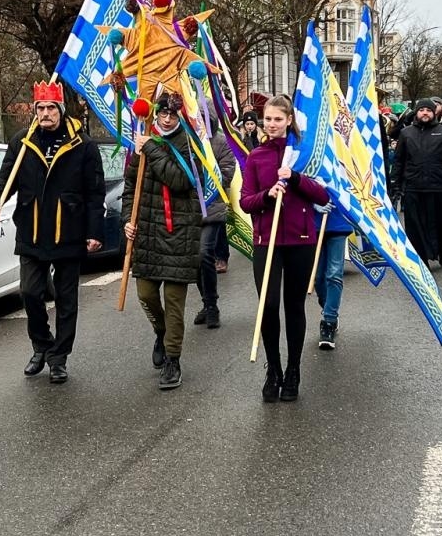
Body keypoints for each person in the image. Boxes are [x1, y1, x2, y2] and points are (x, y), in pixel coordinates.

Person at [0, 81, 105, 385]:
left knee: (67, 301)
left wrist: (94, 231)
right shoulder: (21, 142)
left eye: (51, 107)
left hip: (69, 230)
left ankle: (58, 358)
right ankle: (41, 345)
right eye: (40, 108)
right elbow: (4, 179)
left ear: (61, 110)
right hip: (32, 230)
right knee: (29, 293)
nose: (46, 113)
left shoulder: (84, 145)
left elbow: (95, 193)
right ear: (34, 110)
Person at [239, 94, 331, 403]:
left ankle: (293, 370)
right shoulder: (256, 156)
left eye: (278, 119)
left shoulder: (304, 153)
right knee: (268, 306)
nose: (272, 124)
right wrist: (267, 195)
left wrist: (294, 178)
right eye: (268, 119)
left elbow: (322, 196)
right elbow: (245, 201)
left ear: (289, 120)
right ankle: (273, 370)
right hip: (267, 242)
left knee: (294, 307)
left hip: (300, 241)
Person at [123, 92, 204, 390]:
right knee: (145, 294)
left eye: (172, 114)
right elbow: (131, 185)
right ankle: (161, 332)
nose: (167, 119)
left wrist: (154, 148)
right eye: (162, 113)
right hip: (147, 231)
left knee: (174, 302)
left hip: (179, 232)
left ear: (179, 115)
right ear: (155, 113)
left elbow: (182, 181)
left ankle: (173, 359)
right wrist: (127, 221)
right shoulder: (144, 139)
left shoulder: (188, 142)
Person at [390, 97, 442, 267]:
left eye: (428, 110)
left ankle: (441, 250)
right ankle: (421, 259)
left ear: (433, 113)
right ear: (417, 112)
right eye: (422, 110)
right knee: (415, 227)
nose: (425, 113)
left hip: (438, 187)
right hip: (414, 187)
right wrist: (395, 185)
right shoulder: (406, 133)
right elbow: (399, 161)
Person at [194, 127, 238, 329]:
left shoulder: (219, 141)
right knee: (194, 259)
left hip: (212, 206)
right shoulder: (183, 137)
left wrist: (208, 183)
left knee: (205, 253)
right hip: (189, 209)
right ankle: (206, 301)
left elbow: (228, 170)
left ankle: (212, 306)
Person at [314, 202, 354, 349]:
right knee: (317, 278)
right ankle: (328, 306)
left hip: (338, 222)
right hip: (313, 222)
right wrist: (313, 203)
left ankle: (329, 321)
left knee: (334, 274)